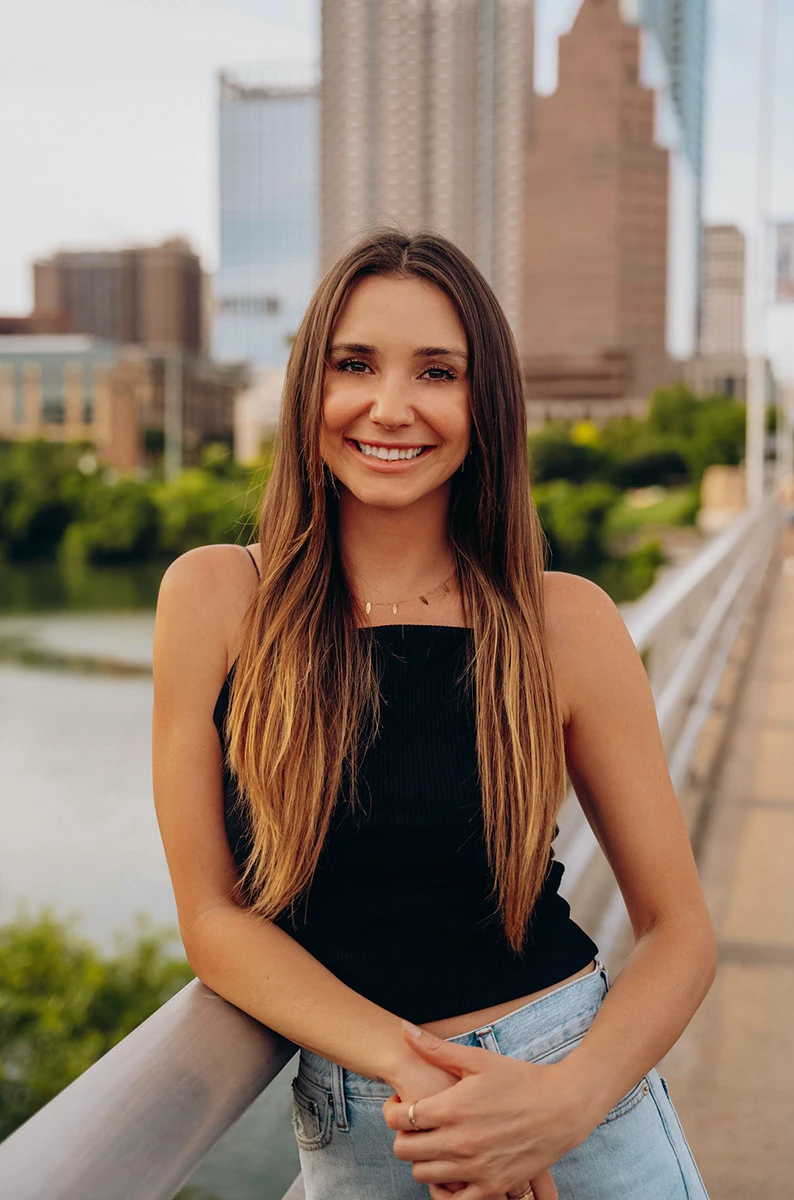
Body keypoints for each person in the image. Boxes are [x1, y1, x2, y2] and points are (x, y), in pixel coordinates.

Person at [152, 229, 715, 1200]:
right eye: (355, 364)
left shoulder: (561, 620)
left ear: (481, 403)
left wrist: (559, 1104)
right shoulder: (216, 598)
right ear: (306, 389)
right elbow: (211, 918)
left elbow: (677, 932)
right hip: (376, 1125)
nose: (391, 406)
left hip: (574, 1101)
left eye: (437, 372)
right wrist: (419, 1073)